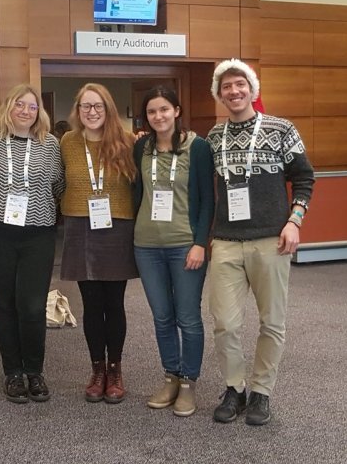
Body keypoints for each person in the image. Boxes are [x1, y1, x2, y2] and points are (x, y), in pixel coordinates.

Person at [205, 58, 315, 426]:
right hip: (226, 241)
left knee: (272, 322)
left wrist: (295, 221)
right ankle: (234, 388)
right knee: (225, 323)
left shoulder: (281, 129)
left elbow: (305, 179)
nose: (234, 91)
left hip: (271, 241)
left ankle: (262, 392)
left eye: (240, 84)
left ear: (252, 90)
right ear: (219, 95)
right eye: (226, 86)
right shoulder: (214, 137)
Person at [0, 84, 65, 403]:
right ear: (8, 106)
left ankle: (34, 371)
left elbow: (59, 185)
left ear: (40, 111)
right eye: (20, 104)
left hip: (38, 234)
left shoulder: (50, 143)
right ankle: (13, 372)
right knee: (4, 303)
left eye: (32, 106)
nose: (26, 111)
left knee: (32, 305)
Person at [131, 86, 214, 417]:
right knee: (162, 317)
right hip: (147, 246)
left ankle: (189, 383)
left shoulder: (198, 147)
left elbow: (208, 200)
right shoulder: (141, 147)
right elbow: (135, 191)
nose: (158, 116)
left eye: (164, 109)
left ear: (177, 111)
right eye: (152, 111)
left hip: (185, 245)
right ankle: (171, 376)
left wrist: (200, 243)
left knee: (188, 317)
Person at [58, 83, 137, 404]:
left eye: (98, 106)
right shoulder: (67, 142)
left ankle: (115, 369)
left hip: (117, 227)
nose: (92, 112)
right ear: (78, 111)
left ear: (108, 109)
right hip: (80, 227)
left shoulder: (127, 141)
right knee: (91, 304)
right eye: (85, 106)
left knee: (114, 303)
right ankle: (97, 370)